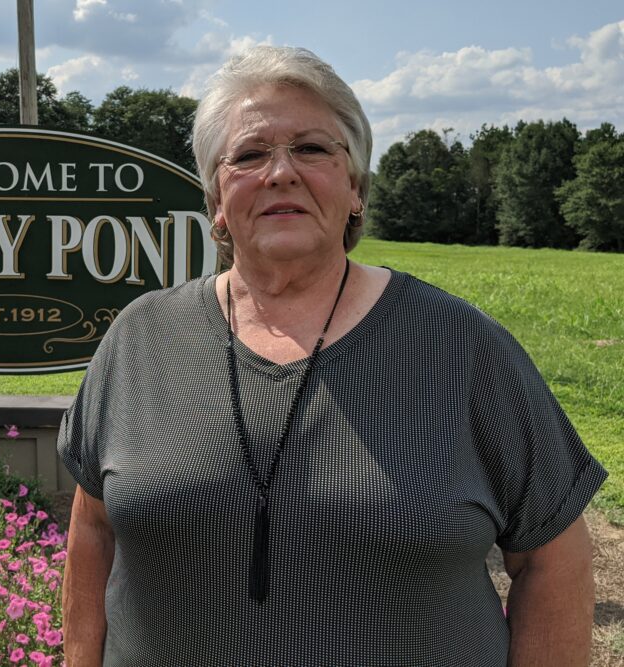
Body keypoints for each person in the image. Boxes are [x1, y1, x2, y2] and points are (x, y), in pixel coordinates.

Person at [57, 46, 607, 666]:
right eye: (249, 155)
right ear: (216, 203)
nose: (280, 173)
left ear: (356, 189)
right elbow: (94, 528)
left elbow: (552, 557)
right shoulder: (142, 336)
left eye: (312, 148)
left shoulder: (461, 345)